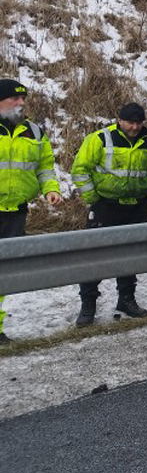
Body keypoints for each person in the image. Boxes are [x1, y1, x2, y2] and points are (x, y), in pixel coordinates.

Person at [70, 102, 147, 326]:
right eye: (130, 123)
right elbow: (80, 168)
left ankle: (126, 300)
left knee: (131, 255)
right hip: (105, 207)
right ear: (119, 120)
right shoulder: (100, 139)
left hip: (137, 207)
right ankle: (88, 305)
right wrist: (93, 199)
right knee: (95, 256)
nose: (134, 127)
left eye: (138, 123)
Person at [0, 78, 64, 344]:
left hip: (16, 212)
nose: (21, 103)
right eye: (15, 98)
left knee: (3, 273)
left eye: (24, 98)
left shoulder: (35, 132)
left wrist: (51, 189)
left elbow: (45, 166)